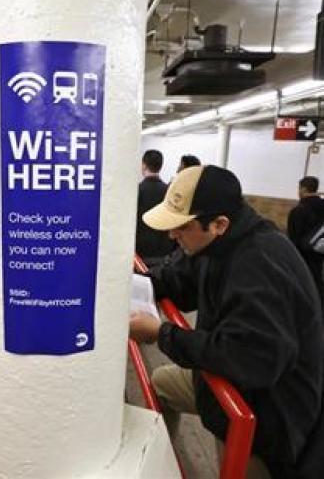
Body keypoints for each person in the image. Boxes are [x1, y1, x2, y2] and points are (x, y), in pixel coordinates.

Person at [130, 165, 324, 478]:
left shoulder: (260, 264)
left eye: (182, 226)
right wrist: (136, 284)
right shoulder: (217, 243)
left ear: (219, 224)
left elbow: (249, 359)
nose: (172, 234)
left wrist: (162, 333)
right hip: (226, 384)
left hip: (266, 413)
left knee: (237, 463)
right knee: (162, 384)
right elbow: (181, 281)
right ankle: (163, 466)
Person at [287, 176, 324, 301]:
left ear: (303, 189)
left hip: (302, 257)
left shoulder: (298, 211)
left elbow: (293, 239)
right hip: (320, 254)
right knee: (317, 283)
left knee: (302, 287)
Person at [136, 149, 174, 265]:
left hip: (141, 253)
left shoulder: (137, 191)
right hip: (163, 253)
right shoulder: (169, 191)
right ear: (160, 166)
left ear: (143, 165)